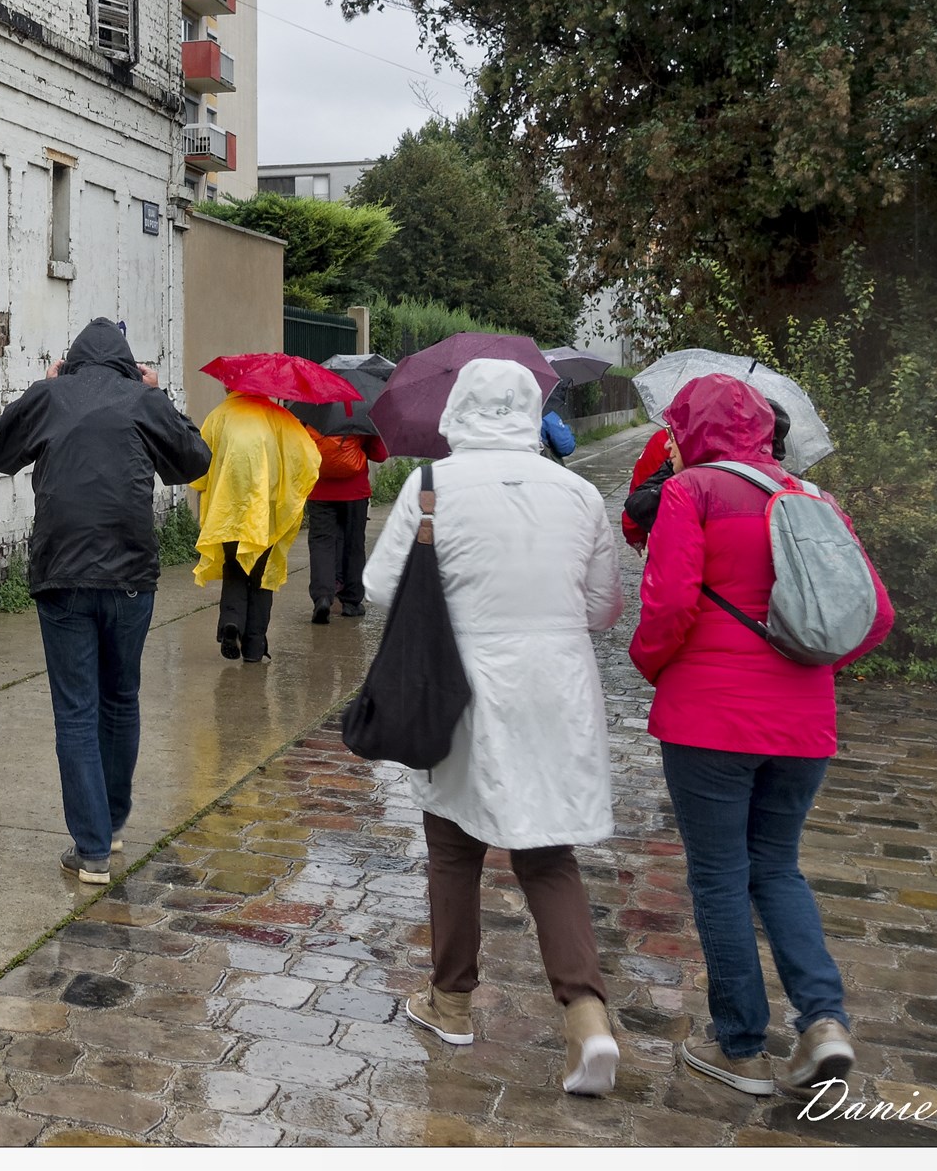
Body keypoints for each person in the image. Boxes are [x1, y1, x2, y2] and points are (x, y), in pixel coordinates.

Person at [366, 358, 626, 1098]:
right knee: (548, 853)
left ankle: (450, 1002)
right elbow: (603, 606)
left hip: (462, 683)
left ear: (458, 408)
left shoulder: (433, 485)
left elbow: (380, 585)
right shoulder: (578, 492)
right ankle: (586, 1016)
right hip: (556, 688)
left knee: (453, 845)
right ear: (530, 410)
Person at [630, 374, 893, 1098]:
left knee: (719, 875)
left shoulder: (691, 491)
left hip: (709, 717)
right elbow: (876, 615)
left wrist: (654, 667)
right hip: (804, 722)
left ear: (693, 430)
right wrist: (810, 666)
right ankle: (824, 1020)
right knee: (777, 868)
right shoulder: (814, 497)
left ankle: (740, 1046)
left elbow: (668, 605)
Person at [0, 318, 209, 888]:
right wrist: (159, 394)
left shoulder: (52, 396)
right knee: (120, 697)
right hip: (131, 577)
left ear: (73, 361)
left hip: (62, 577)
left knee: (77, 710)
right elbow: (195, 459)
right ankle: (111, 825)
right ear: (128, 364)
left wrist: (44, 386)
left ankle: (92, 849)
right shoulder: (143, 400)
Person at [191, 384, 320, 663]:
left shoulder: (219, 415)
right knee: (261, 576)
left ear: (229, 385)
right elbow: (308, 459)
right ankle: (254, 646)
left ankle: (232, 621)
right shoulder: (280, 417)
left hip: (228, 510)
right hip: (267, 513)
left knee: (234, 567)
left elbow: (200, 460)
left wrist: (203, 487)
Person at [623, 399, 792, 551]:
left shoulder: (695, 487)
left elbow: (638, 498)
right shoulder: (789, 489)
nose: (668, 444)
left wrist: (635, 535)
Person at [302, 414, 386, 624]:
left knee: (321, 543)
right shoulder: (362, 413)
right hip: (355, 491)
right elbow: (380, 454)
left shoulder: (313, 411)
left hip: (319, 490)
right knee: (354, 543)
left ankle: (322, 597)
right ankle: (351, 602)